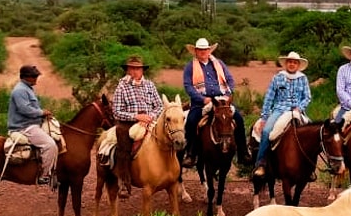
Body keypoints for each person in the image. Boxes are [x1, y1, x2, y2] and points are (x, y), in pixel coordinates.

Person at [181, 37, 251, 168]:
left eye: (205, 49)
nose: (203, 52)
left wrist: (227, 94)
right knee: (191, 121)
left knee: (239, 119)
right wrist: (202, 98)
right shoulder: (190, 67)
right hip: (201, 101)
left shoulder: (219, 63)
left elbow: (230, 80)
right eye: (200, 50)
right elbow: (188, 86)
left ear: (209, 50)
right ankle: (190, 154)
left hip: (221, 100)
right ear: (195, 51)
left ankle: (243, 153)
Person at [253, 51, 312, 178]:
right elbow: (269, 98)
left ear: (298, 65)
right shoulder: (278, 77)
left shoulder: (303, 78)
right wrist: (264, 117)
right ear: (286, 63)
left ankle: (309, 168)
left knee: (313, 132)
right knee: (266, 131)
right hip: (279, 110)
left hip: (296, 110)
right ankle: (261, 163)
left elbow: (307, 97)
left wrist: (299, 108)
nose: (292, 64)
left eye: (294, 62)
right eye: (290, 62)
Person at [111, 55, 164, 198]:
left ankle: (171, 175)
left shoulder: (150, 85)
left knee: (168, 137)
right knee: (124, 144)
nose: (135, 71)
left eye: (138, 69)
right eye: (132, 68)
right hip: (129, 123)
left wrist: (150, 117)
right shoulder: (122, 86)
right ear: (127, 70)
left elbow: (159, 105)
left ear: (142, 70)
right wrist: (136, 116)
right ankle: (124, 181)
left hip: (150, 120)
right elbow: (116, 111)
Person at [7, 64, 57, 185]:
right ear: (25, 77)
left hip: (31, 123)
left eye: (36, 76)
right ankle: (44, 175)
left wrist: (43, 114)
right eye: (34, 76)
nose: (36, 78)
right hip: (24, 126)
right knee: (50, 145)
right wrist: (41, 112)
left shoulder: (27, 88)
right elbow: (25, 109)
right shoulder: (20, 90)